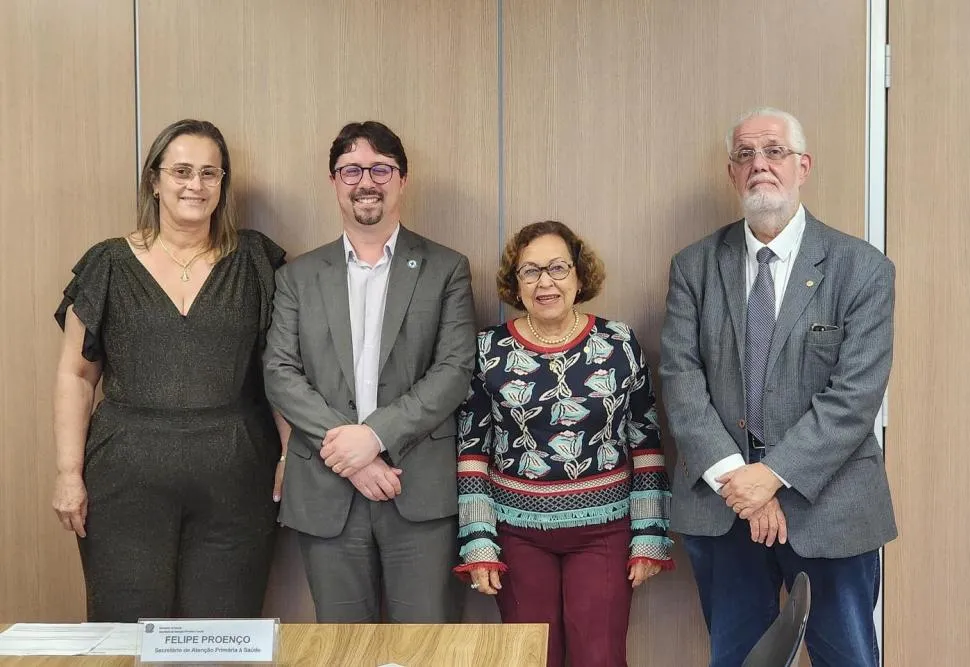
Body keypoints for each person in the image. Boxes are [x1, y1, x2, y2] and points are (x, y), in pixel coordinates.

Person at [659, 107, 896, 667]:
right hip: (724, 504)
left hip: (831, 505)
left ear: (803, 165)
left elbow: (855, 397)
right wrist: (736, 479)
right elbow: (680, 377)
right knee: (738, 659)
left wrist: (772, 476)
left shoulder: (861, 268)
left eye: (774, 151)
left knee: (848, 658)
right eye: (745, 154)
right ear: (731, 173)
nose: (759, 165)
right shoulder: (694, 266)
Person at [51, 119, 289, 622]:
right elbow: (76, 376)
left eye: (209, 173)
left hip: (238, 479)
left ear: (223, 185)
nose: (194, 185)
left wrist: (292, 455)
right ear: (154, 181)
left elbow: (281, 371)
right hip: (124, 482)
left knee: (224, 639)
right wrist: (68, 473)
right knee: (125, 632)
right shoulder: (108, 264)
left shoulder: (255, 261)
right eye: (181, 171)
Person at [263, 121, 477, 623]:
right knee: (341, 649)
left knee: (425, 649)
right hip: (325, 487)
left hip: (416, 487)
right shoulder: (297, 276)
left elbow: (454, 370)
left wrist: (375, 437)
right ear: (334, 181)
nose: (366, 181)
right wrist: (354, 456)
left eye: (381, 168)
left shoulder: (446, 267)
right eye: (352, 169)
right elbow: (279, 371)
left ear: (402, 179)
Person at [457, 221, 673, 667]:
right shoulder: (488, 349)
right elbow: (473, 449)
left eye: (558, 267)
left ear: (579, 275)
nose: (545, 282)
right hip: (517, 536)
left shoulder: (618, 344)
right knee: (533, 659)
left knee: (600, 657)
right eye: (530, 271)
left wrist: (649, 533)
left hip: (605, 534)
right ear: (515, 283)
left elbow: (646, 441)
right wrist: (478, 539)